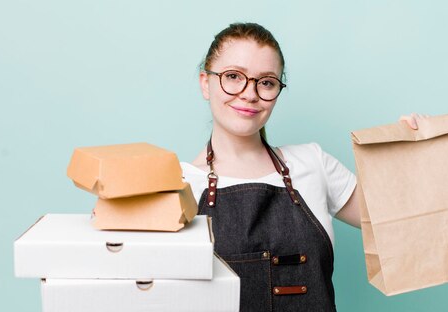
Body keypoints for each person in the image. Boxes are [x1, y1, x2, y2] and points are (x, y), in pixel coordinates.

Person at [180, 22, 426, 312]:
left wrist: (412, 150)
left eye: (267, 82)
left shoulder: (313, 163)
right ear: (205, 83)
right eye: (233, 76)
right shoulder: (179, 186)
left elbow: (402, 218)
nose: (250, 93)